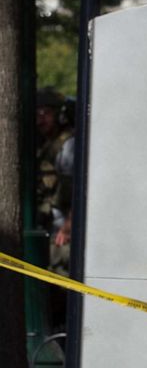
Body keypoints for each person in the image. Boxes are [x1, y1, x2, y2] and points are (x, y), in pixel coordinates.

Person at [36, 87, 74, 277]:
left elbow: (80, 193)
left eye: (46, 113)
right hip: (46, 227)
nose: (40, 118)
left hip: (62, 232)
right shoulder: (42, 144)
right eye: (37, 113)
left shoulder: (67, 145)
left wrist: (67, 228)